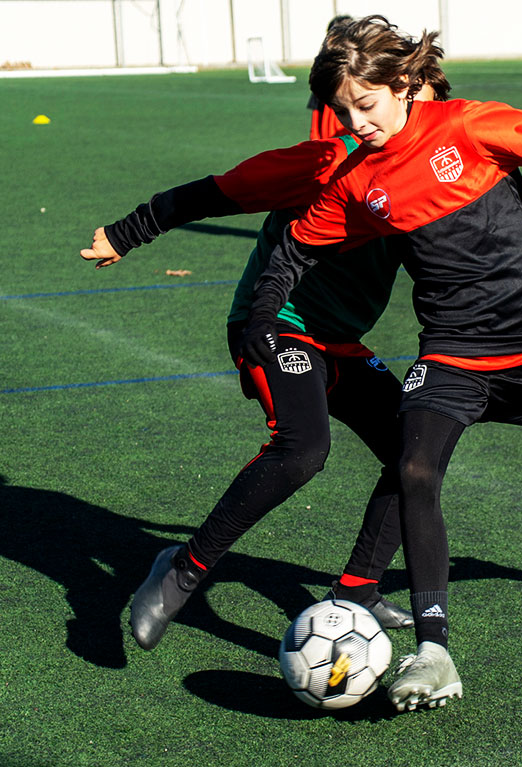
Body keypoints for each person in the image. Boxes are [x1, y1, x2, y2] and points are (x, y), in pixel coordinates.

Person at [240, 15, 522, 713]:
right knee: (414, 465)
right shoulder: (362, 179)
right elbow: (299, 244)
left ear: (401, 86)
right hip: (453, 348)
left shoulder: (470, 125)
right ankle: (434, 650)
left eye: (364, 105)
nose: (353, 122)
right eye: (340, 111)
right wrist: (266, 311)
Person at [79, 64, 451, 651]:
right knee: (303, 448)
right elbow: (216, 190)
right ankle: (183, 570)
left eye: (425, 108)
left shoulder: (436, 178)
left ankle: (358, 588)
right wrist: (128, 232)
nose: (408, 120)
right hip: (274, 324)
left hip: (343, 343)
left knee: (415, 452)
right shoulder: (323, 162)